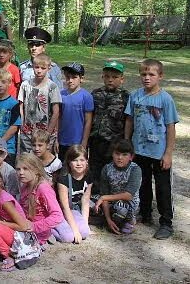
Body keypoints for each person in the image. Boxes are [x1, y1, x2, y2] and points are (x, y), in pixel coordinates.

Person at [124, 59, 179, 239]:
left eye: (151, 75)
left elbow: (170, 127)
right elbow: (130, 120)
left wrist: (168, 153)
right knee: (143, 184)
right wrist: (127, 144)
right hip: (139, 151)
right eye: (143, 74)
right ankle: (145, 214)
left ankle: (166, 222)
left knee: (163, 188)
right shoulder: (135, 96)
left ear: (160, 76)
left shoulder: (165, 99)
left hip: (159, 153)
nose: (146, 78)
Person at [89, 60, 129, 191]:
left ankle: (111, 201)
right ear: (102, 77)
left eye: (114, 77)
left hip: (114, 142)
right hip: (96, 139)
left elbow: (129, 121)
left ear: (122, 79)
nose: (110, 80)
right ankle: (94, 200)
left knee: (112, 172)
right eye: (107, 76)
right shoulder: (95, 94)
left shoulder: (126, 97)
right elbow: (89, 117)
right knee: (94, 170)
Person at [95, 139, 142, 236]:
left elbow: (128, 196)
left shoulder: (135, 170)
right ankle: (108, 220)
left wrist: (104, 198)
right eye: (117, 154)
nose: (120, 157)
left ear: (131, 157)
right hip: (110, 200)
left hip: (128, 204)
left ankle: (129, 221)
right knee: (90, 201)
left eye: (124, 155)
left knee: (120, 207)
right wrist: (108, 219)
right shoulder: (107, 168)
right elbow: (104, 193)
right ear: (112, 154)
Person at [16, 153, 64, 245]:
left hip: (37, 232)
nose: (21, 172)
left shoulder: (43, 188)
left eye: (25, 169)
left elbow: (57, 216)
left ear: (36, 170)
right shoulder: (25, 185)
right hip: (26, 226)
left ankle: (50, 235)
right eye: (18, 169)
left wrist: (34, 226)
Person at [18, 54, 62, 153]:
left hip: (45, 131)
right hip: (28, 132)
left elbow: (56, 112)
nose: (39, 70)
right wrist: (22, 126)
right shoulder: (25, 85)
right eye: (36, 67)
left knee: (44, 162)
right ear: (33, 66)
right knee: (27, 161)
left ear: (49, 68)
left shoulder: (52, 87)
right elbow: (21, 106)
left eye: (43, 68)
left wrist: (48, 133)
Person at [53, 145, 91, 243]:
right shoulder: (64, 179)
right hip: (59, 211)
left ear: (87, 161)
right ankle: (49, 229)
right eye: (75, 160)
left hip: (73, 210)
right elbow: (65, 207)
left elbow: (85, 201)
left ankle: (73, 227)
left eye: (82, 160)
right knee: (68, 237)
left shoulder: (88, 177)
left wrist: (85, 224)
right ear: (69, 163)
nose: (79, 164)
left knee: (85, 232)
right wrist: (75, 230)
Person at [58, 63, 94, 161]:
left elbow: (88, 121)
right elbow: (59, 117)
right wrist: (56, 139)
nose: (70, 80)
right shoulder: (61, 95)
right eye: (68, 77)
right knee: (63, 168)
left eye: (74, 77)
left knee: (77, 167)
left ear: (81, 79)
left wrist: (84, 142)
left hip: (78, 142)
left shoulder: (86, 96)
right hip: (63, 140)